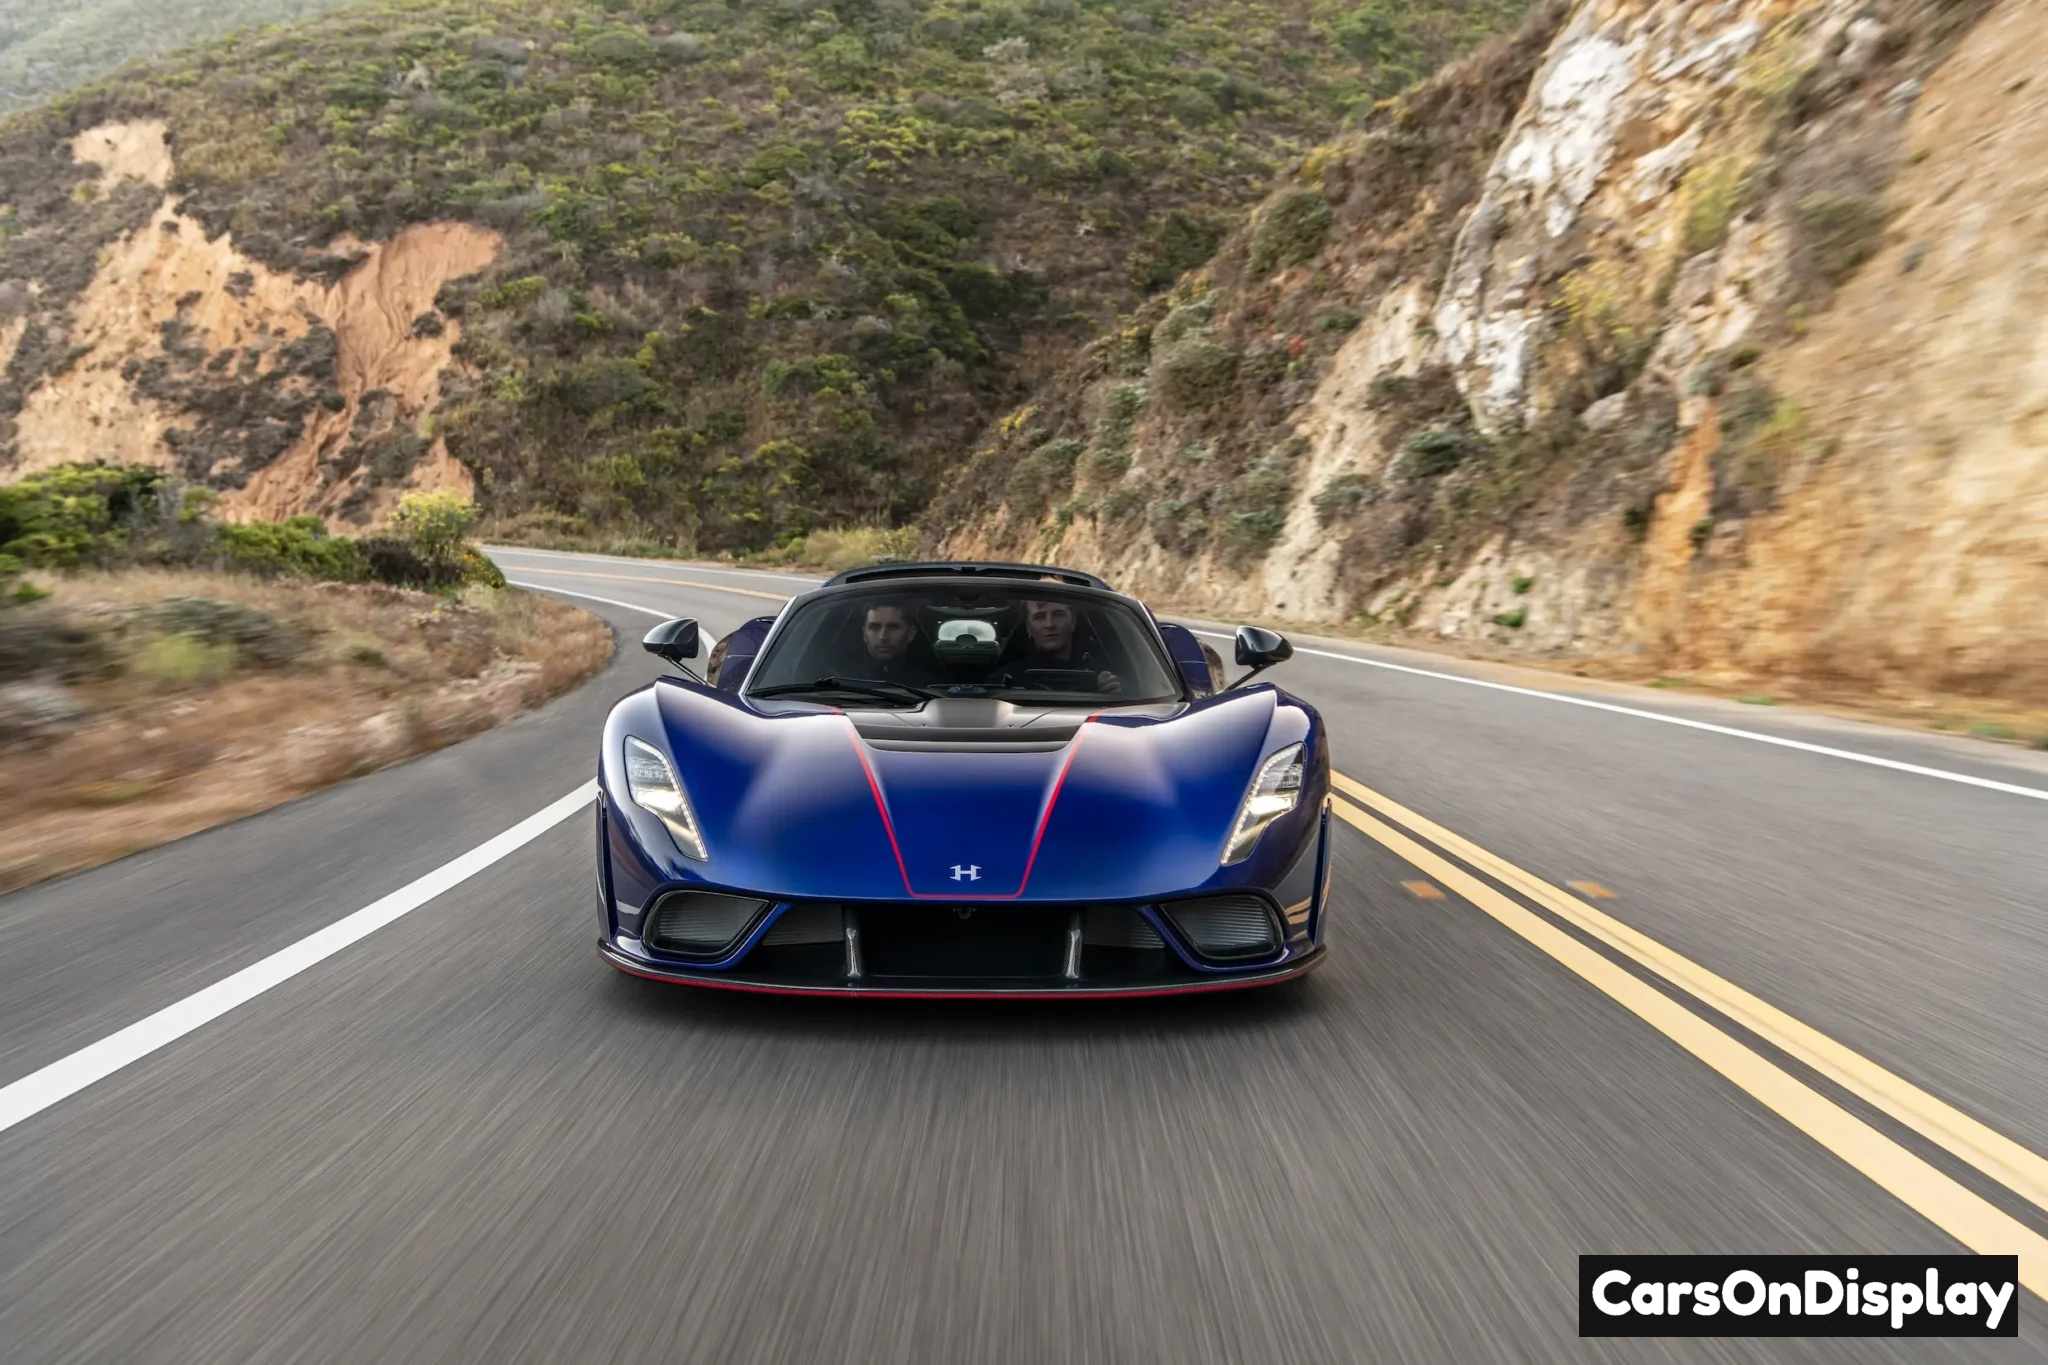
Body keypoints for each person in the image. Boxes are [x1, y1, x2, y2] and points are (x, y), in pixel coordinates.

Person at [995, 597, 1121, 694]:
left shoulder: (1100, 674)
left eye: (1058, 614)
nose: (1049, 624)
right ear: (1028, 629)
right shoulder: (1006, 678)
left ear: (1073, 622)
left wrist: (1111, 693)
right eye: (1039, 617)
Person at [856, 600, 924, 682]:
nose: (883, 637)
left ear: (911, 634)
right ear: (864, 634)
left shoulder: (928, 682)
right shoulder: (843, 678)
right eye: (874, 627)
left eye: (893, 627)